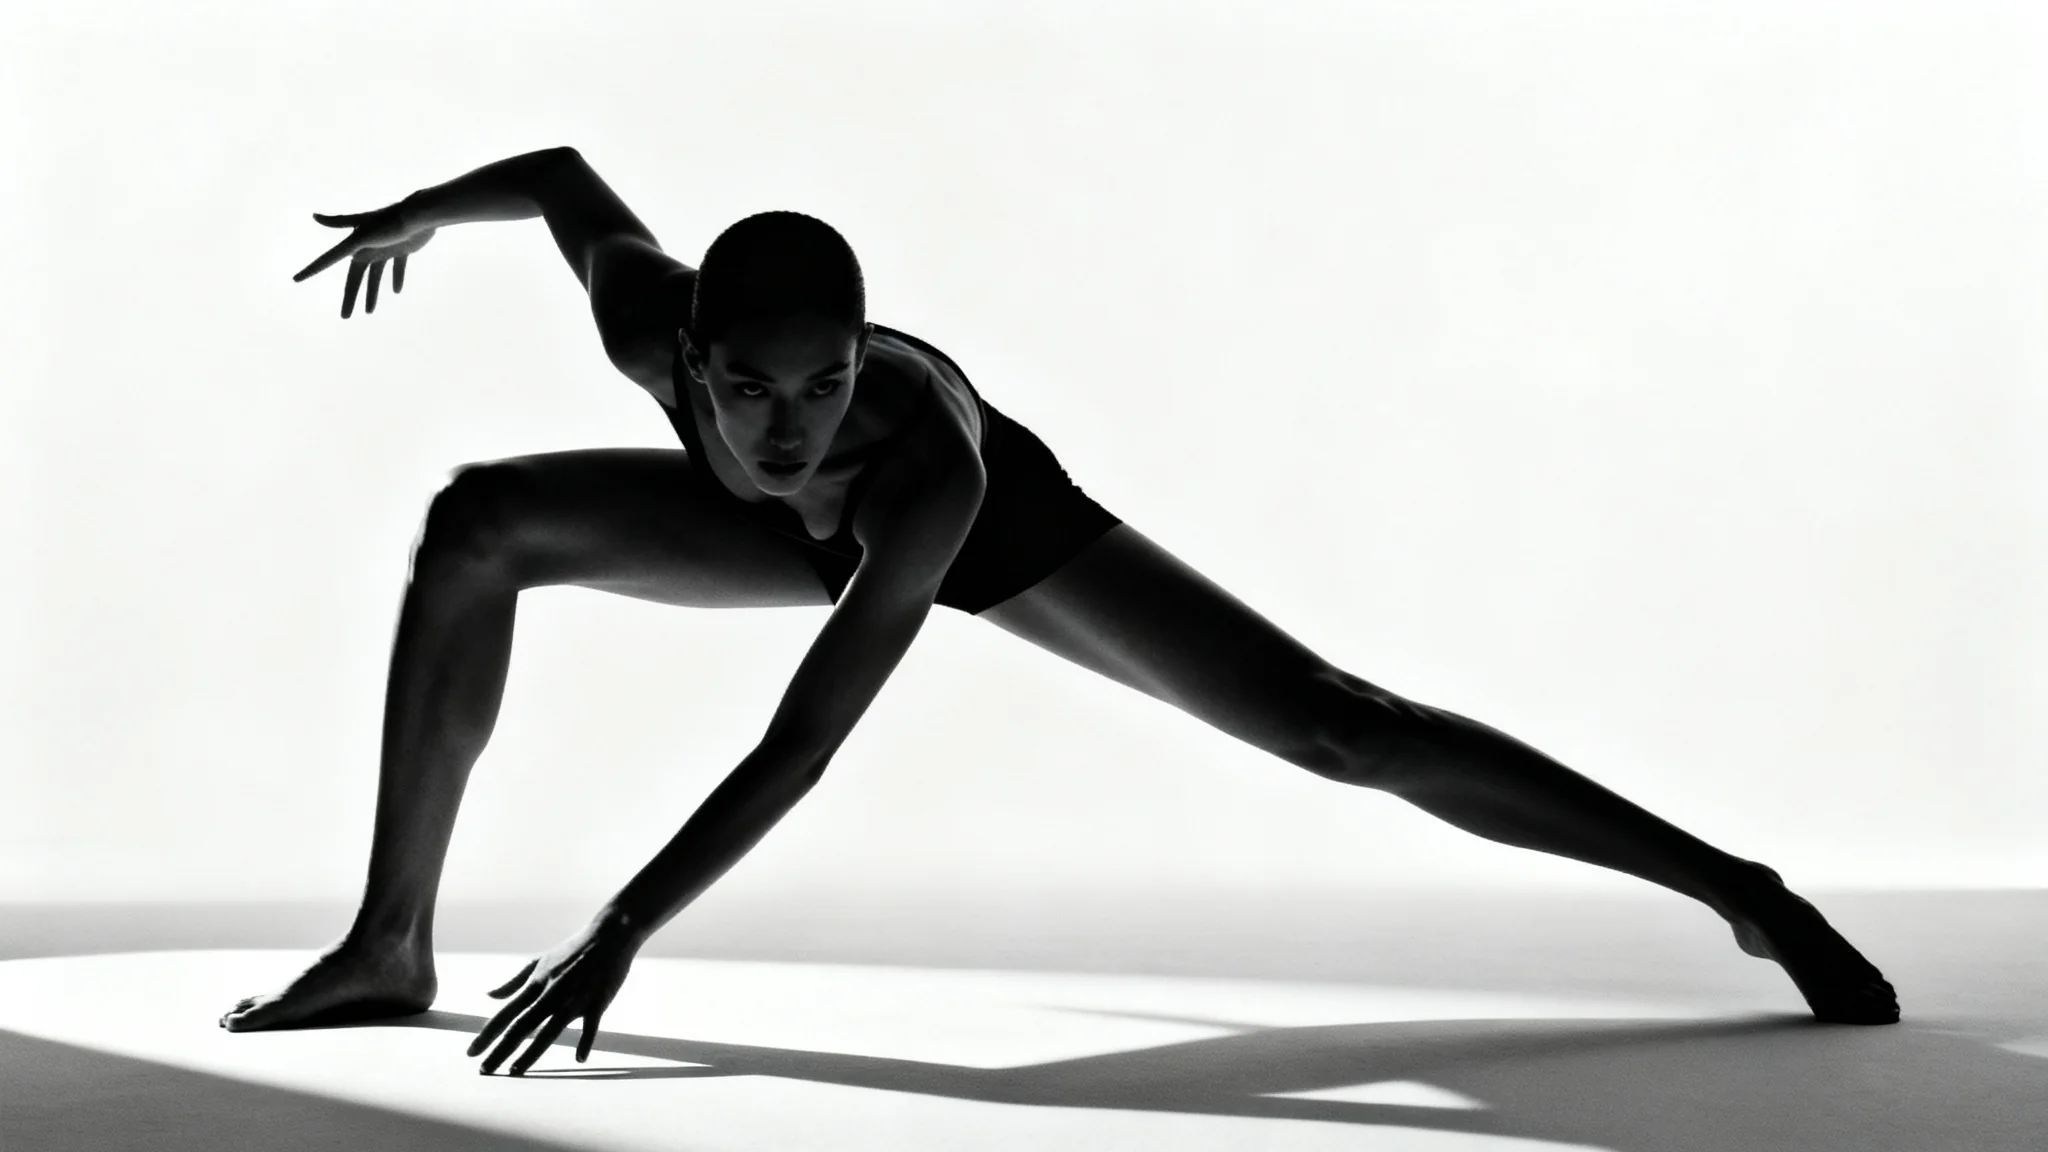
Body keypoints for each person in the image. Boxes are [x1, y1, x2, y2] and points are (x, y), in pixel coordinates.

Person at [219, 146, 1899, 1076]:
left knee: (1340, 728)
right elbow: (563, 177)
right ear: (690, 359)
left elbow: (804, 744)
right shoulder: (646, 320)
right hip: (781, 535)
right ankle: (389, 945)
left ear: (860, 359)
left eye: (823, 382)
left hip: (960, 533)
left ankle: (1737, 890)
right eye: (752, 390)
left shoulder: (928, 469)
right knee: (478, 523)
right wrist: (423, 212)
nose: (788, 422)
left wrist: (621, 926)